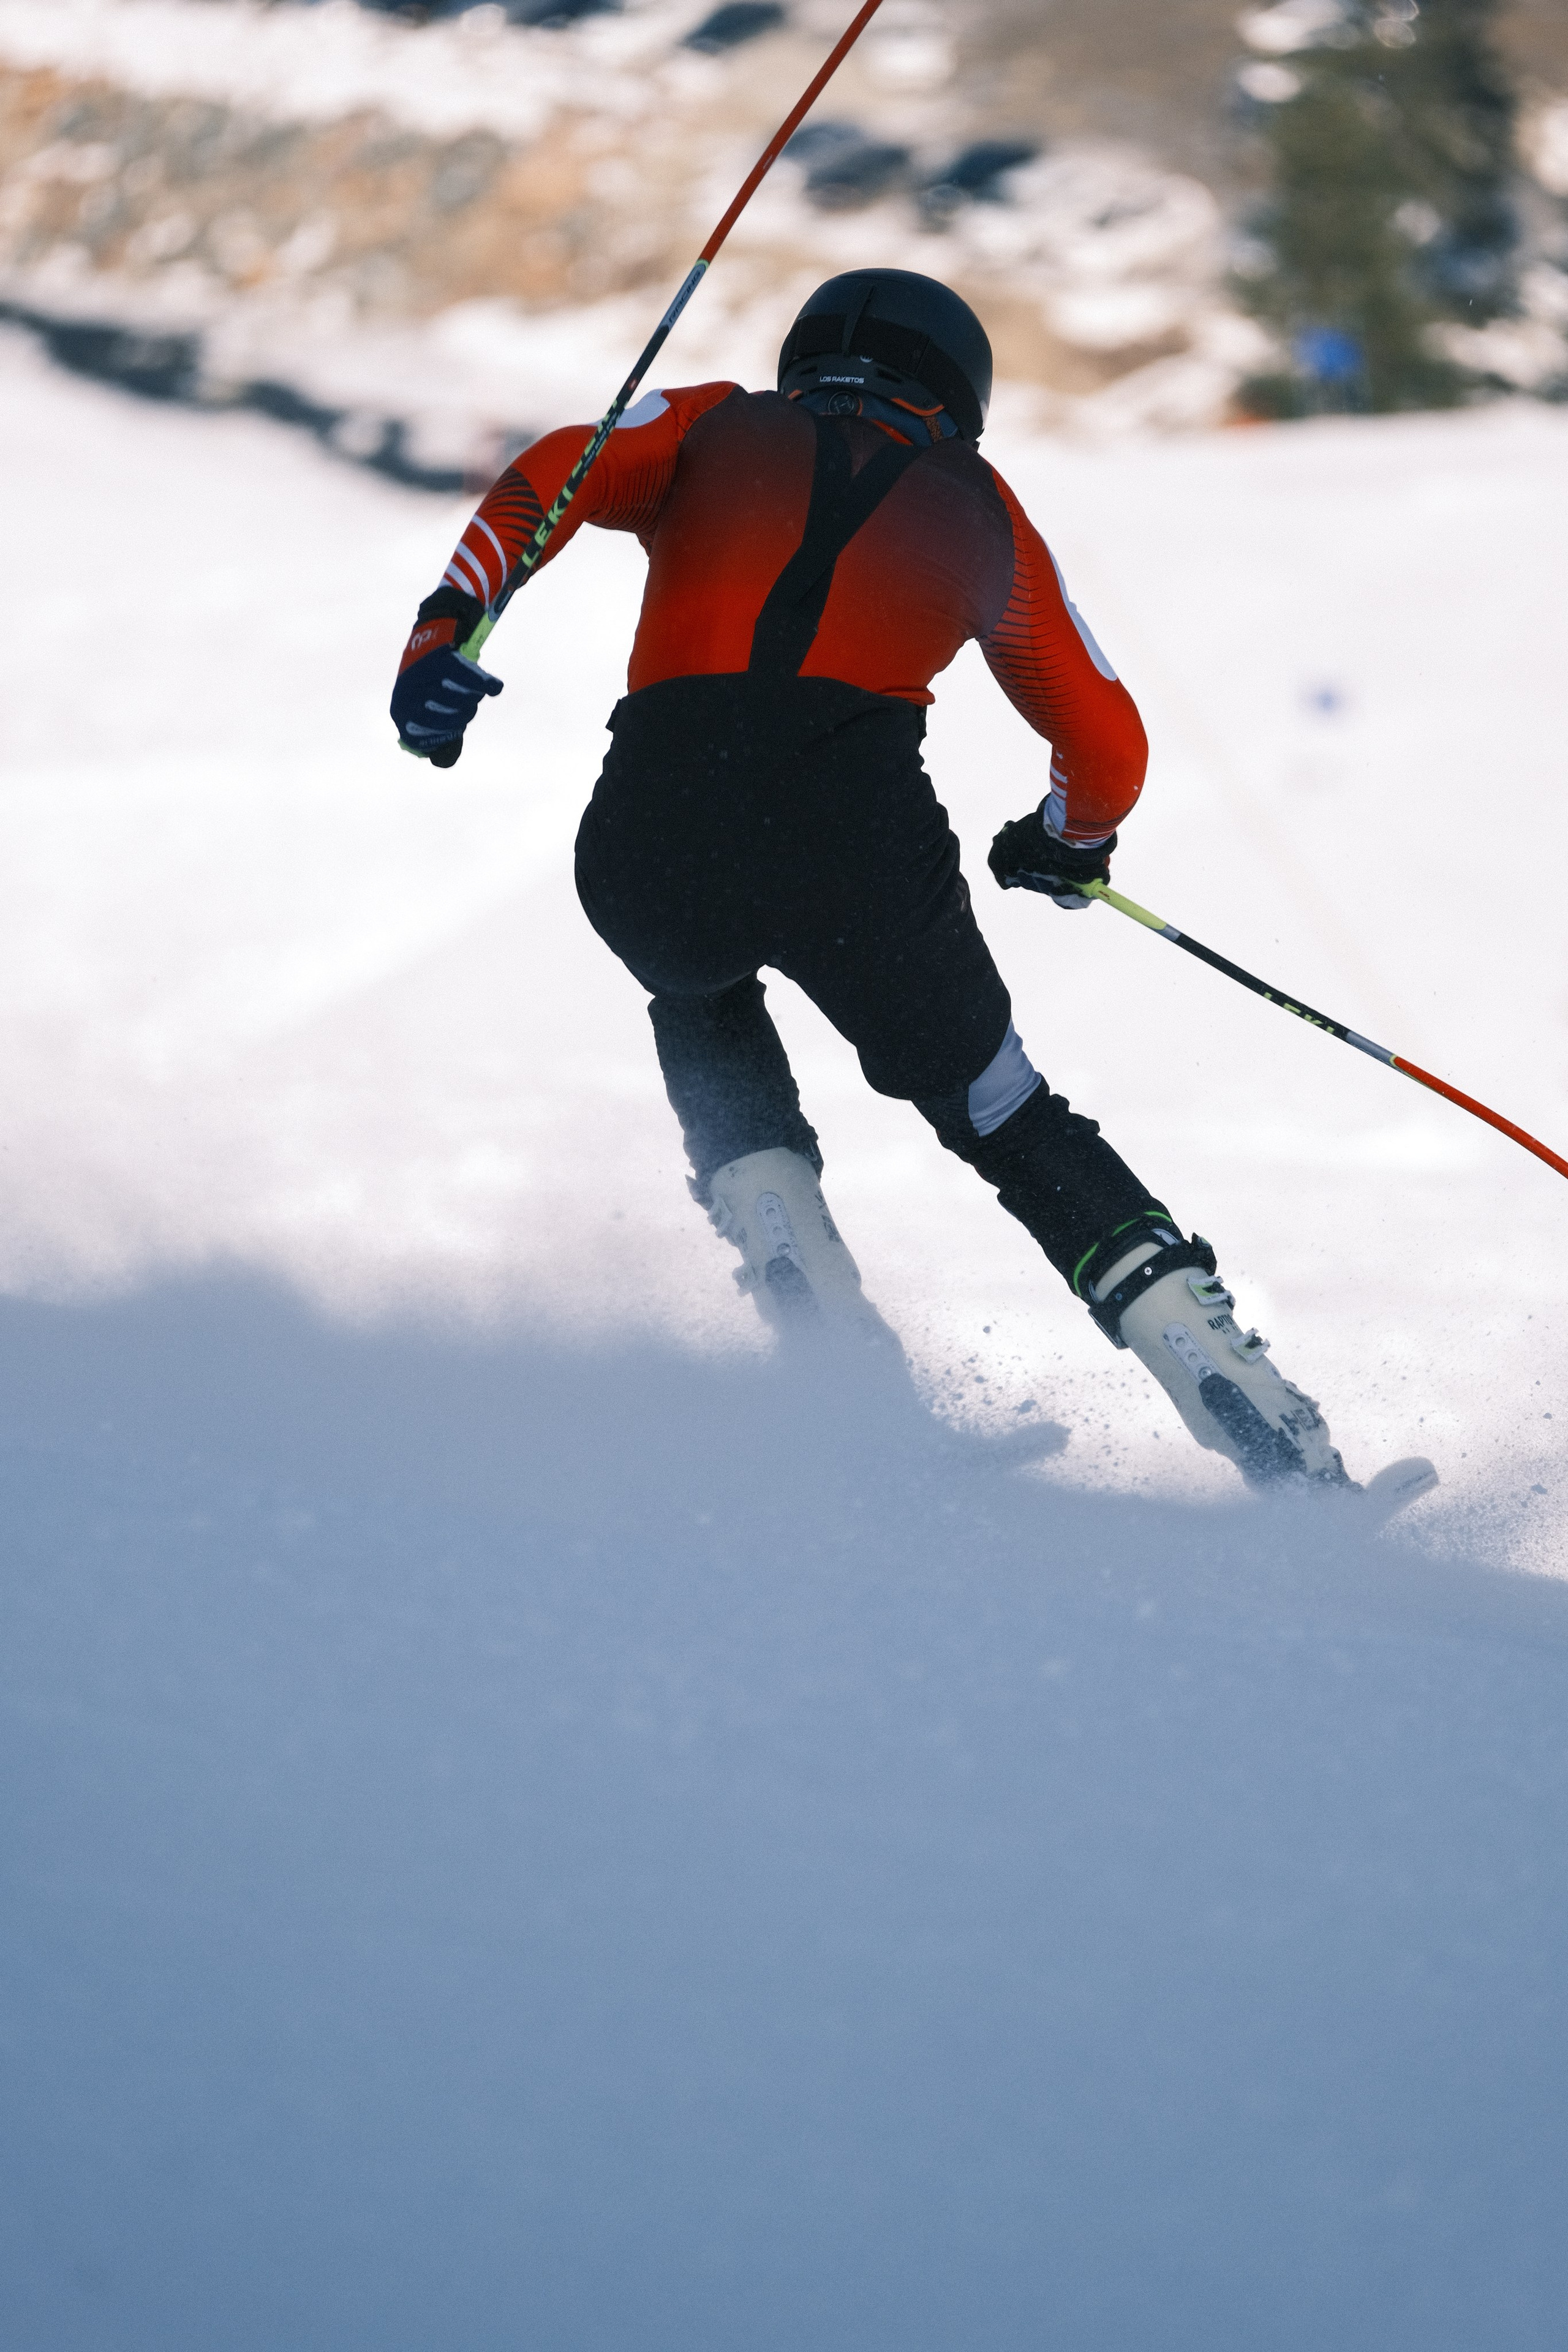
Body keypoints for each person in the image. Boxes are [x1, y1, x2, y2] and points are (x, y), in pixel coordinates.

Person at [390, 268, 1349, 1494]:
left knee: (696, 992)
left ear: (803, 361)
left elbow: (555, 472)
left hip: (649, 827)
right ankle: (1246, 1405)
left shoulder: (706, 423)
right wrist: (1066, 841)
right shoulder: (975, 505)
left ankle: (814, 1315)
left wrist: (445, 632)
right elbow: (1105, 744)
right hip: (856, 843)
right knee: (1005, 1117)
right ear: (959, 399)